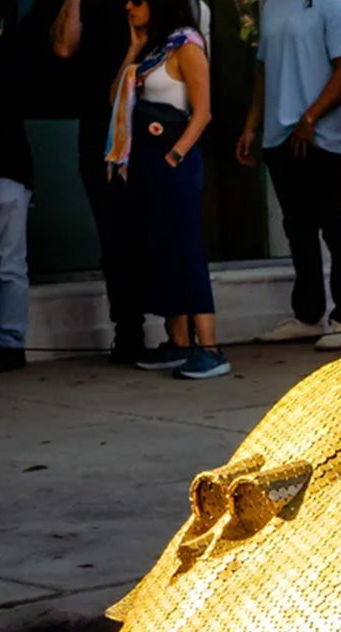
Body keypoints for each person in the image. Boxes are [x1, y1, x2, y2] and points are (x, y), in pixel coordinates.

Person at [236, 0, 341, 351]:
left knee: (334, 226)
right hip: (279, 137)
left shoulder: (337, 8)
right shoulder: (272, 6)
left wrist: (310, 118)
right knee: (298, 229)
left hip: (319, 138)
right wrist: (251, 126)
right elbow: (265, 71)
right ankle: (307, 317)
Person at [111, 0, 225, 378]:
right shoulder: (152, 52)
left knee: (186, 247)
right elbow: (115, 101)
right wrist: (132, 48)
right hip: (148, 164)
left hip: (173, 160)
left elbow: (203, 111)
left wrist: (175, 156)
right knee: (162, 250)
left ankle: (209, 345)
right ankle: (178, 342)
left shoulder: (187, 46)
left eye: (138, 0)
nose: (129, 6)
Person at [51, 0, 146, 364]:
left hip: (145, 127)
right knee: (114, 235)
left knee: (149, 233)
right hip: (98, 133)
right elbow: (63, 46)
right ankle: (129, 330)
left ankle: (179, 330)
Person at [0, 0, 30, 374]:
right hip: (6, 169)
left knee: (10, 263)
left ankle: (10, 341)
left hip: (8, 168)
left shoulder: (11, 49)